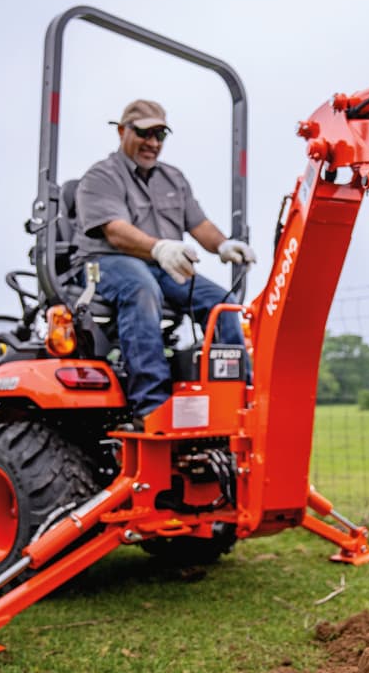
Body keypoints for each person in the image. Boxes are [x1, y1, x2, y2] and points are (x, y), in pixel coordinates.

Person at [73, 99, 255, 427]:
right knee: (140, 288)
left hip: (163, 266)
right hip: (108, 263)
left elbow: (200, 226)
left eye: (160, 135)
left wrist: (224, 245)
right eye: (145, 134)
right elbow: (115, 232)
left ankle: (238, 395)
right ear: (122, 131)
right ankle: (151, 405)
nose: (153, 143)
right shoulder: (101, 177)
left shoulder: (173, 179)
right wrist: (158, 248)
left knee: (220, 303)